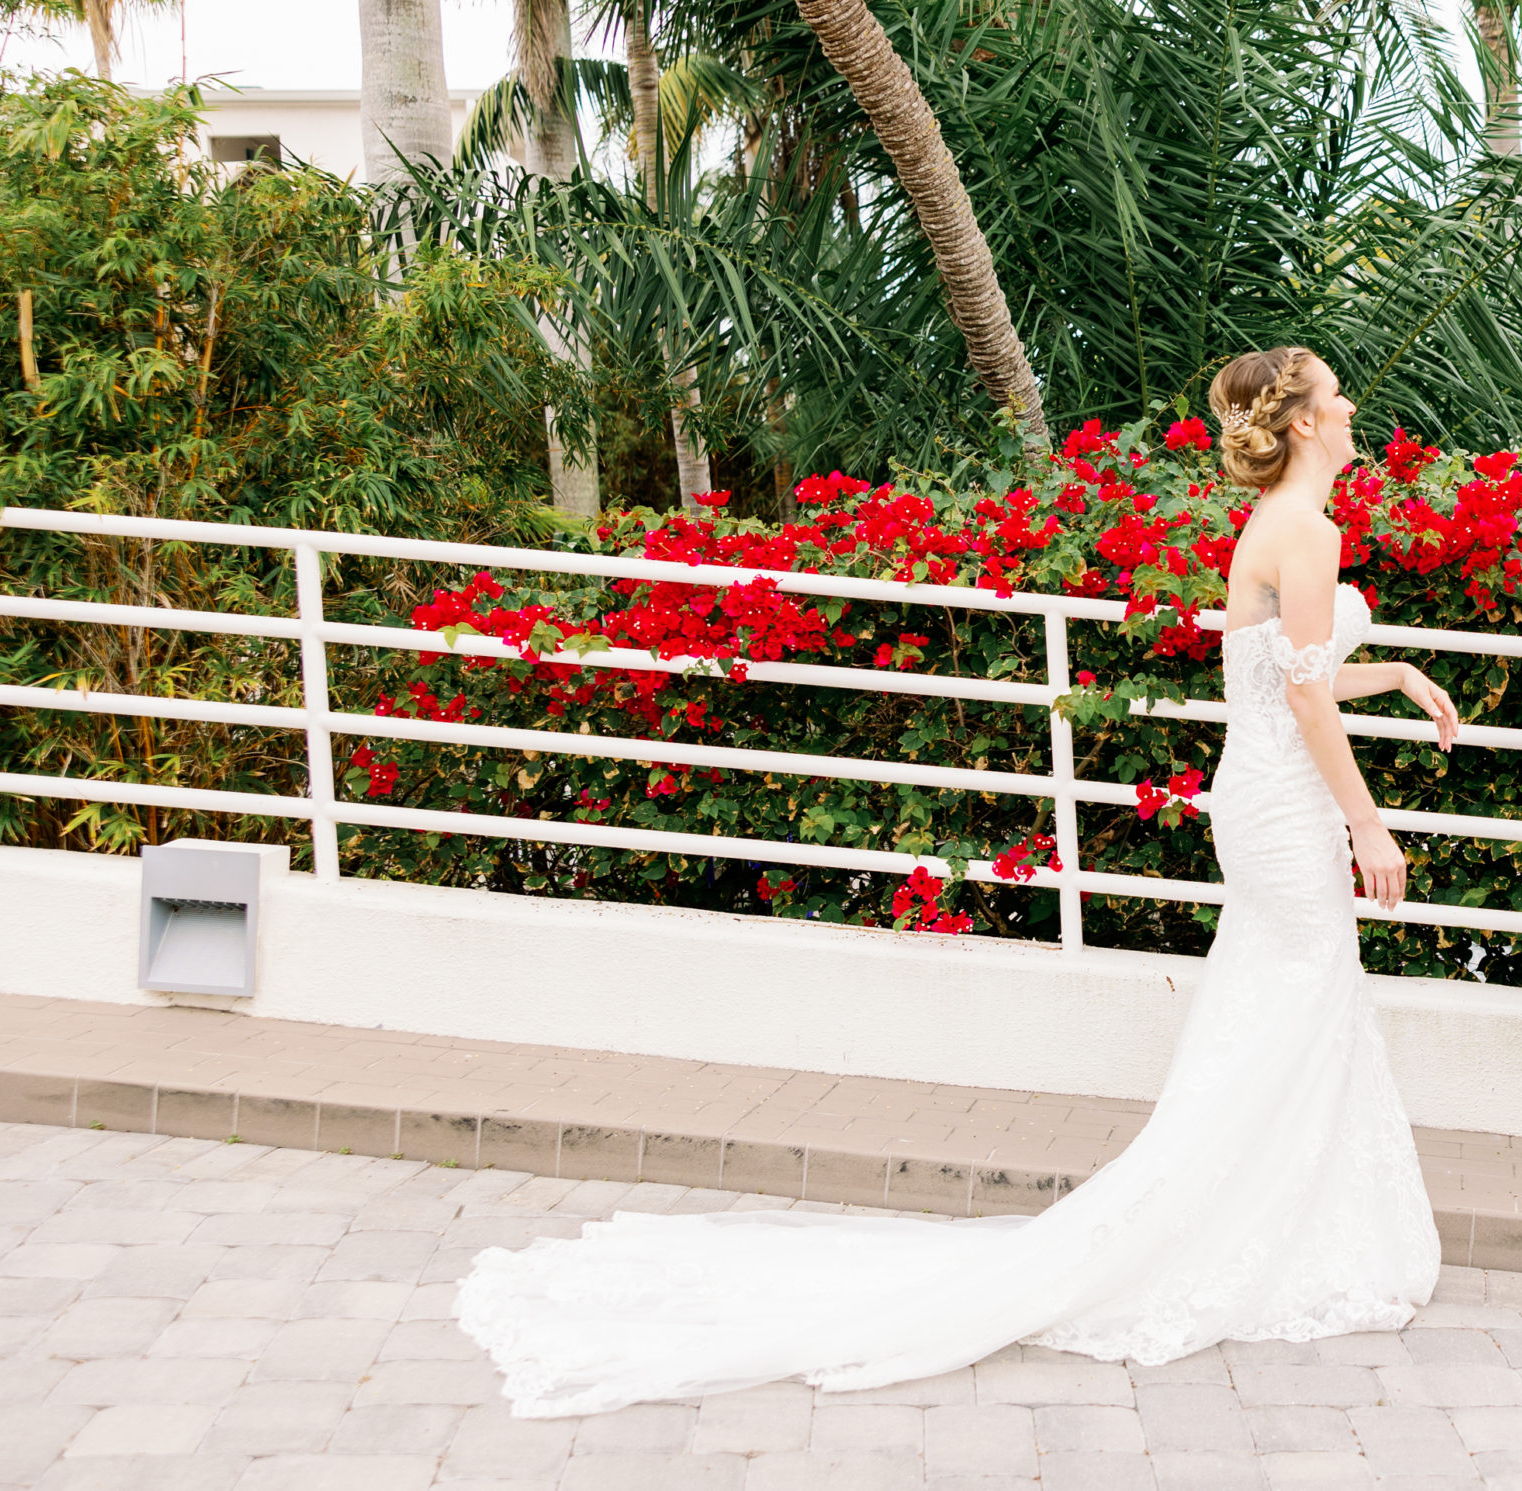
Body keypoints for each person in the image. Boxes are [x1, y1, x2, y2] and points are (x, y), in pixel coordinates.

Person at [455, 344, 1461, 1417]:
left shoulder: (1284, 529)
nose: (1355, 407)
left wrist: (1395, 673)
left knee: (1286, 1003)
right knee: (1296, 997)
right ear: (1305, 422)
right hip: (1285, 804)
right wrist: (1369, 824)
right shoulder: (1301, 530)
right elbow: (1303, 702)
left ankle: (1274, 1226)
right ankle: (1222, 1233)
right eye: (1338, 396)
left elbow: (1291, 676)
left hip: (1265, 795)